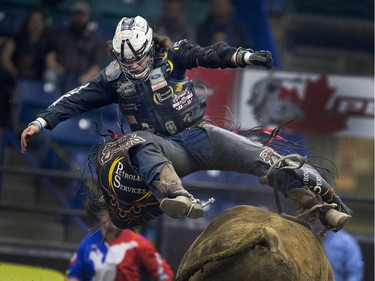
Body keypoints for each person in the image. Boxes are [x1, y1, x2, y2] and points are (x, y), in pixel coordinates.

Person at [20, 15, 351, 233]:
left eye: (139, 57)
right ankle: (175, 195)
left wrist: (243, 57)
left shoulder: (171, 55)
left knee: (266, 158)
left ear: (150, 46)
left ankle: (321, 207)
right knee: (135, 141)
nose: (134, 65)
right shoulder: (111, 79)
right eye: (127, 60)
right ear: (117, 56)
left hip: (201, 135)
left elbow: (208, 54)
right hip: (165, 150)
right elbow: (76, 98)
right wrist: (41, 121)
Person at [67, 202, 174, 281]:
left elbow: (164, 273)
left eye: (119, 210)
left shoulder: (138, 243)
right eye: (109, 209)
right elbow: (74, 275)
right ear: (99, 214)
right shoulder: (86, 244)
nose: (114, 214)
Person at [46, 1, 106, 94]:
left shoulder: (96, 39)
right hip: (60, 76)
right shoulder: (61, 33)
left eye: (82, 15)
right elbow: (50, 53)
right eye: (75, 14)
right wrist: (55, 66)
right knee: (49, 76)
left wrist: (86, 77)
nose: (78, 18)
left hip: (83, 79)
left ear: (88, 16)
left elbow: (97, 65)